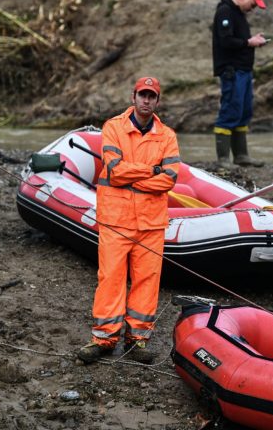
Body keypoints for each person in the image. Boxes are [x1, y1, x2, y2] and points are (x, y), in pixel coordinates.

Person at [78, 76, 180, 364]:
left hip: (151, 223)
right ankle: (103, 338)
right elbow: (114, 171)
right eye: (142, 95)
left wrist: (133, 177)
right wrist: (151, 170)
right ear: (133, 97)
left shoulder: (167, 136)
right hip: (116, 220)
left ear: (157, 101)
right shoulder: (113, 127)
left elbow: (170, 179)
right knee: (110, 278)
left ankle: (138, 340)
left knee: (147, 281)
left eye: (152, 96)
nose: (146, 100)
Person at [211, 0, 268, 168]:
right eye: (253, 5)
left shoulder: (239, 14)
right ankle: (223, 159)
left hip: (244, 70)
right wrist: (249, 42)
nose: (253, 9)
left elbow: (241, 41)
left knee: (244, 110)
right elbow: (226, 41)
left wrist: (252, 40)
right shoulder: (225, 12)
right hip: (232, 70)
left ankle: (241, 155)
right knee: (230, 109)